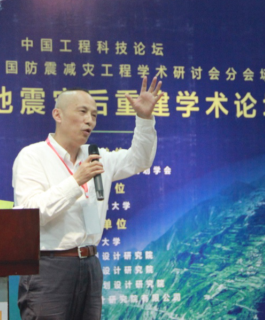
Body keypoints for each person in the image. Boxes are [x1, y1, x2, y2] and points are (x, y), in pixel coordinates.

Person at [12, 76, 163, 320]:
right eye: (82, 112)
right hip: (50, 266)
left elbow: (140, 160)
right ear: (58, 115)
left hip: (90, 264)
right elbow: (30, 215)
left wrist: (144, 119)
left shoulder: (97, 156)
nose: (89, 120)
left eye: (94, 115)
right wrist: (75, 181)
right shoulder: (32, 156)